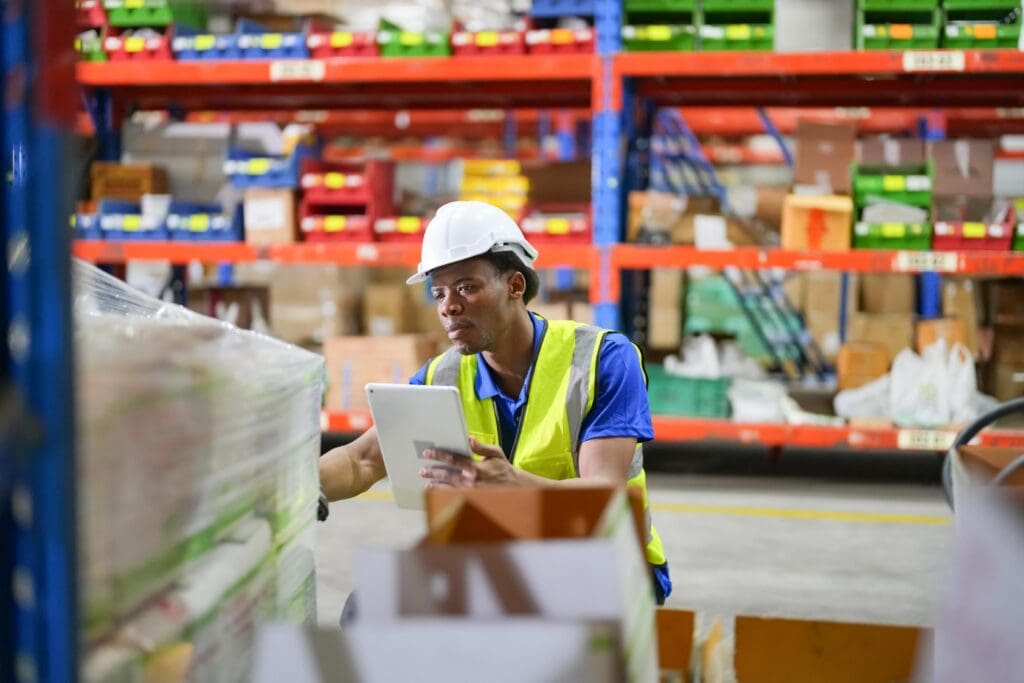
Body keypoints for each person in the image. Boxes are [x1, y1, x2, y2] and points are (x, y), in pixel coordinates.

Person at [318, 200, 672, 604]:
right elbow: (361, 460)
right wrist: (293, 487)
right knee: (367, 608)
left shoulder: (601, 360)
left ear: (515, 286)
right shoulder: (440, 377)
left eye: (467, 287)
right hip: (505, 564)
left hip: (606, 566)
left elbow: (603, 500)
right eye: (439, 293)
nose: (449, 306)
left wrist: (513, 485)